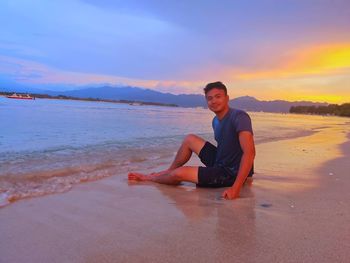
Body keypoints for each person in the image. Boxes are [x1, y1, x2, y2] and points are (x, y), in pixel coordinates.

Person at [128, 81, 256, 200]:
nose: (214, 101)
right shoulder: (215, 121)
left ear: (227, 98)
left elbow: (249, 153)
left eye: (218, 96)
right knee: (190, 139)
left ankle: (151, 178)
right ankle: (169, 170)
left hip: (231, 172)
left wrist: (236, 188)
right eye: (210, 98)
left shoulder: (239, 117)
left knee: (179, 174)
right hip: (220, 161)